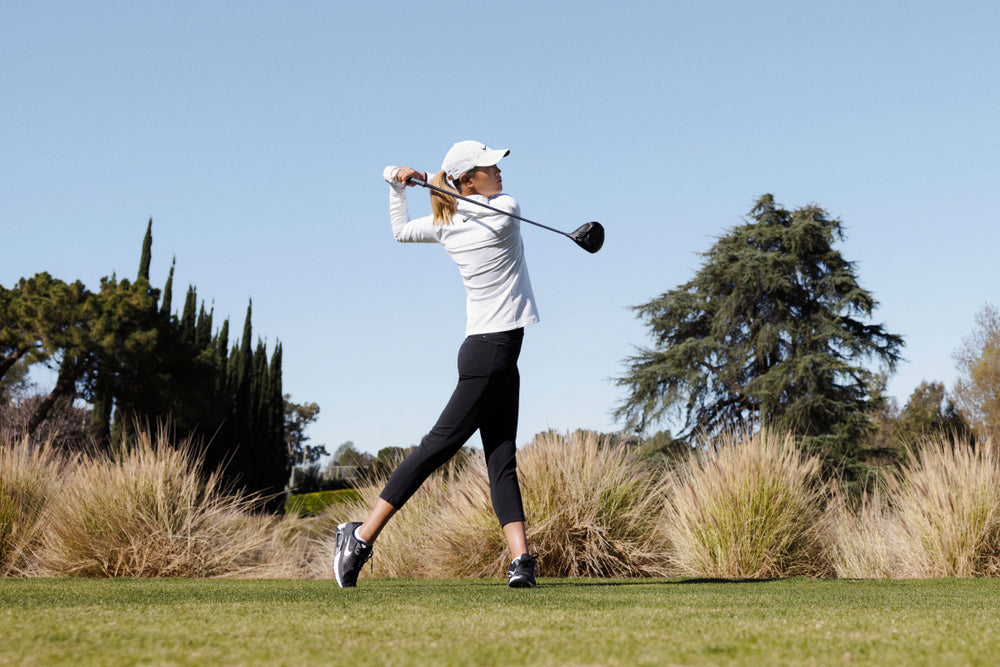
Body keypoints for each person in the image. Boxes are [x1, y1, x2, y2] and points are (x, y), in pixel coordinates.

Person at [333, 140, 540, 589]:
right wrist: (420, 180)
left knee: (501, 456)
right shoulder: (505, 209)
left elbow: (400, 229)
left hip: (497, 352)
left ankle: (521, 560)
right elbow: (430, 220)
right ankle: (361, 537)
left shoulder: (448, 222)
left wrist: (397, 185)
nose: (498, 170)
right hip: (490, 353)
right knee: (437, 449)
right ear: (468, 180)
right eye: (488, 166)